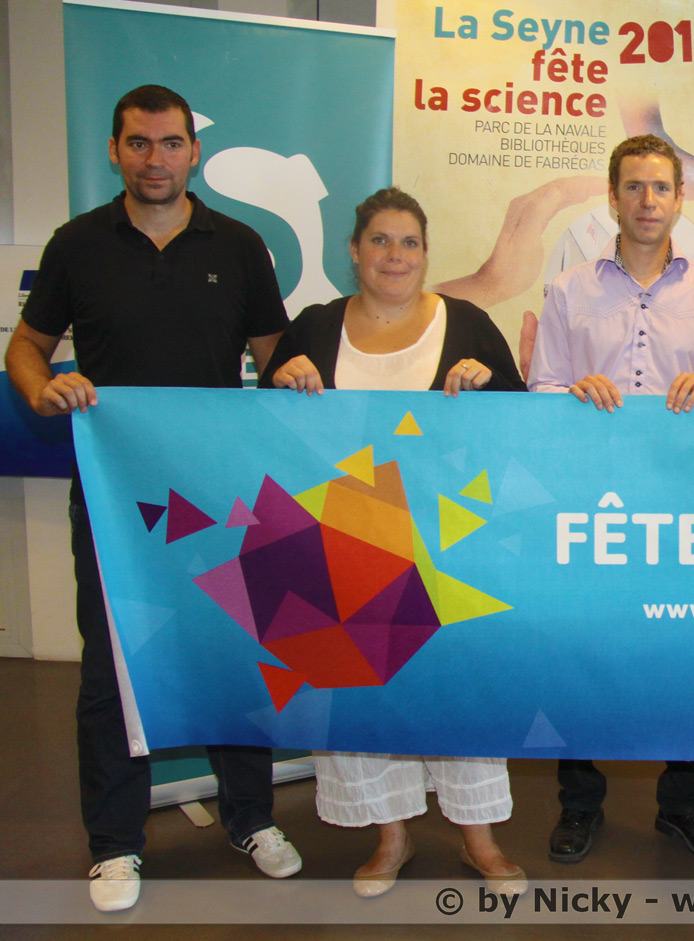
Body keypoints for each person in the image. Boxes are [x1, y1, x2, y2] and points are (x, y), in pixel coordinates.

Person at [3, 85, 300, 913]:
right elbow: (27, 347)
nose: (155, 159)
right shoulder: (76, 244)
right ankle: (115, 843)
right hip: (115, 496)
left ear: (193, 152)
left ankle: (251, 818)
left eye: (170, 143)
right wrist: (39, 388)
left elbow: (277, 357)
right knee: (113, 665)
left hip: (222, 496)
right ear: (114, 150)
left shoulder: (239, 244)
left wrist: (301, 376)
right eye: (138, 143)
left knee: (234, 650)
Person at [260, 186, 527, 898]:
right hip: (342, 547)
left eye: (409, 242)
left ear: (425, 253)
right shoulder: (316, 326)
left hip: (446, 547)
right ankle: (390, 837)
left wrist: (489, 385)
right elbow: (267, 434)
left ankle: (481, 840)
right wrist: (282, 380)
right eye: (379, 239)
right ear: (354, 251)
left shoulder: (468, 324)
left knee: (458, 690)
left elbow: (521, 426)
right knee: (360, 685)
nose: (395, 255)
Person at [527, 133, 694, 864]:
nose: (647, 200)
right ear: (613, 196)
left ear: (679, 200)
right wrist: (573, 391)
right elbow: (540, 388)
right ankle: (579, 804)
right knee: (582, 648)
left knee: (687, 650)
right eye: (633, 186)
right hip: (591, 505)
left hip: (686, 505)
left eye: (660, 187)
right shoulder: (569, 289)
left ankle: (683, 805)